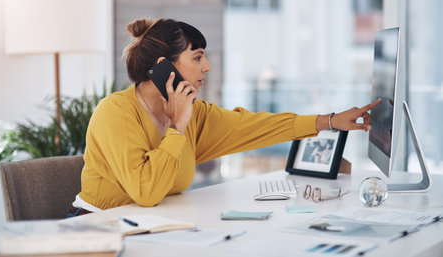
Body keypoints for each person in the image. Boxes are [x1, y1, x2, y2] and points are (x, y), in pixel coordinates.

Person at [69, 18, 381, 215]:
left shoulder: (195, 113)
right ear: (166, 66)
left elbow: (250, 126)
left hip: (151, 229)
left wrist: (328, 121)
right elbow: (146, 191)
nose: (206, 67)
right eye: (197, 57)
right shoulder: (115, 112)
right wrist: (177, 127)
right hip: (98, 232)